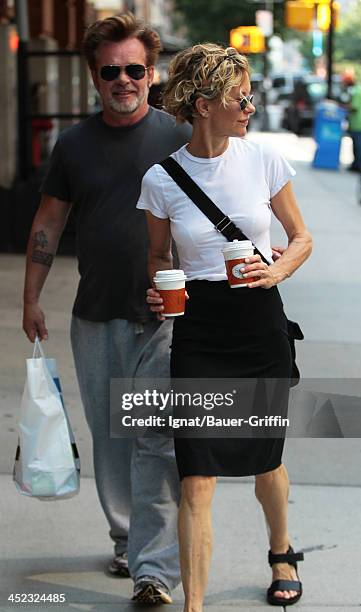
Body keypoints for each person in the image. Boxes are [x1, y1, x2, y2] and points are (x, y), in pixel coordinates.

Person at [22, 13, 191, 605]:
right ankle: (126, 536)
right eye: (111, 71)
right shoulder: (74, 145)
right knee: (112, 436)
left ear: (152, 73)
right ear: (96, 77)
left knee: (154, 437)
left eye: (135, 69)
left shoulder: (180, 136)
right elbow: (49, 221)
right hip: (95, 315)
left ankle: (153, 566)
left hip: (167, 319)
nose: (124, 80)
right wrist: (31, 298)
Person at [137, 44, 312, 610]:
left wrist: (276, 268)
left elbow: (301, 236)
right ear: (205, 101)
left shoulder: (263, 160)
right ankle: (194, 605)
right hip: (200, 331)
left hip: (259, 323)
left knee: (266, 462)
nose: (251, 106)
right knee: (197, 475)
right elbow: (159, 256)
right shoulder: (162, 179)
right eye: (241, 96)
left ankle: (281, 550)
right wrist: (161, 290)